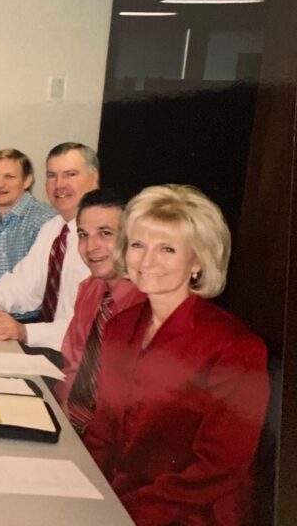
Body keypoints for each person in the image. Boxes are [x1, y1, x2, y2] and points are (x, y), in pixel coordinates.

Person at [84, 185, 269, 526]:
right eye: (138, 245)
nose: (148, 261)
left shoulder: (236, 347)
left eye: (167, 249)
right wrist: (78, 491)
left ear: (197, 261)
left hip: (189, 516)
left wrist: (124, 513)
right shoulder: (122, 326)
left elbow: (218, 468)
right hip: (116, 504)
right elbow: (102, 433)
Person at [0, 142, 99, 351]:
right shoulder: (54, 229)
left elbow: (86, 328)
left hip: (83, 360)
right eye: (52, 175)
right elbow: (22, 285)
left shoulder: (102, 241)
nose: (59, 184)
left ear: (94, 178)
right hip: (50, 344)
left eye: (70, 174)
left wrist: (24, 332)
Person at [53, 188, 144, 435]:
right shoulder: (90, 289)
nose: (90, 246)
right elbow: (73, 363)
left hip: (107, 439)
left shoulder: (146, 306)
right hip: (69, 422)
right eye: (83, 235)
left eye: (105, 233)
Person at [0, 149, 55, 284]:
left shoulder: (45, 223)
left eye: (9, 177)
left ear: (27, 181)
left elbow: (41, 288)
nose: (0, 184)